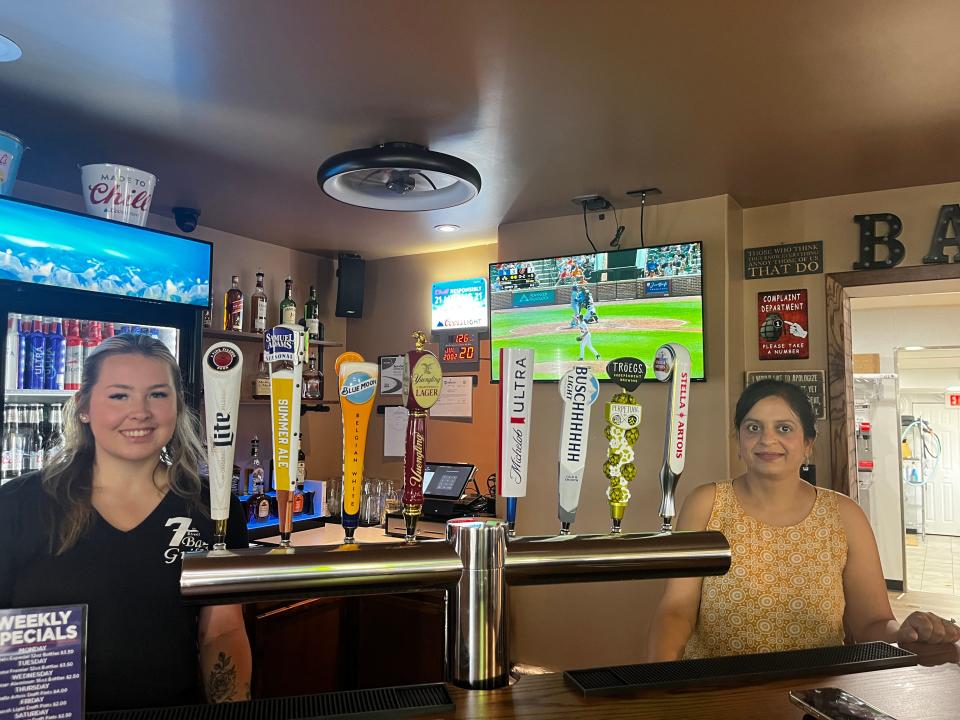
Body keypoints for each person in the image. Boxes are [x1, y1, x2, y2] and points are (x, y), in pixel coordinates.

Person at [0, 334, 251, 711]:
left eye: (157, 394)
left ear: (178, 406)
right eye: (120, 395)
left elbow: (223, 629)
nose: (141, 412)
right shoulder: (18, 505)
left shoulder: (211, 507)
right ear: (84, 406)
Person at [647, 379, 960, 661]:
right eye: (753, 428)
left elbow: (871, 623)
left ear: (808, 444)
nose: (767, 440)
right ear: (739, 440)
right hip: (719, 692)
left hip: (818, 694)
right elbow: (677, 609)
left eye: (783, 428)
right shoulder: (706, 504)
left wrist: (905, 632)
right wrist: (661, 685)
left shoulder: (845, 515)